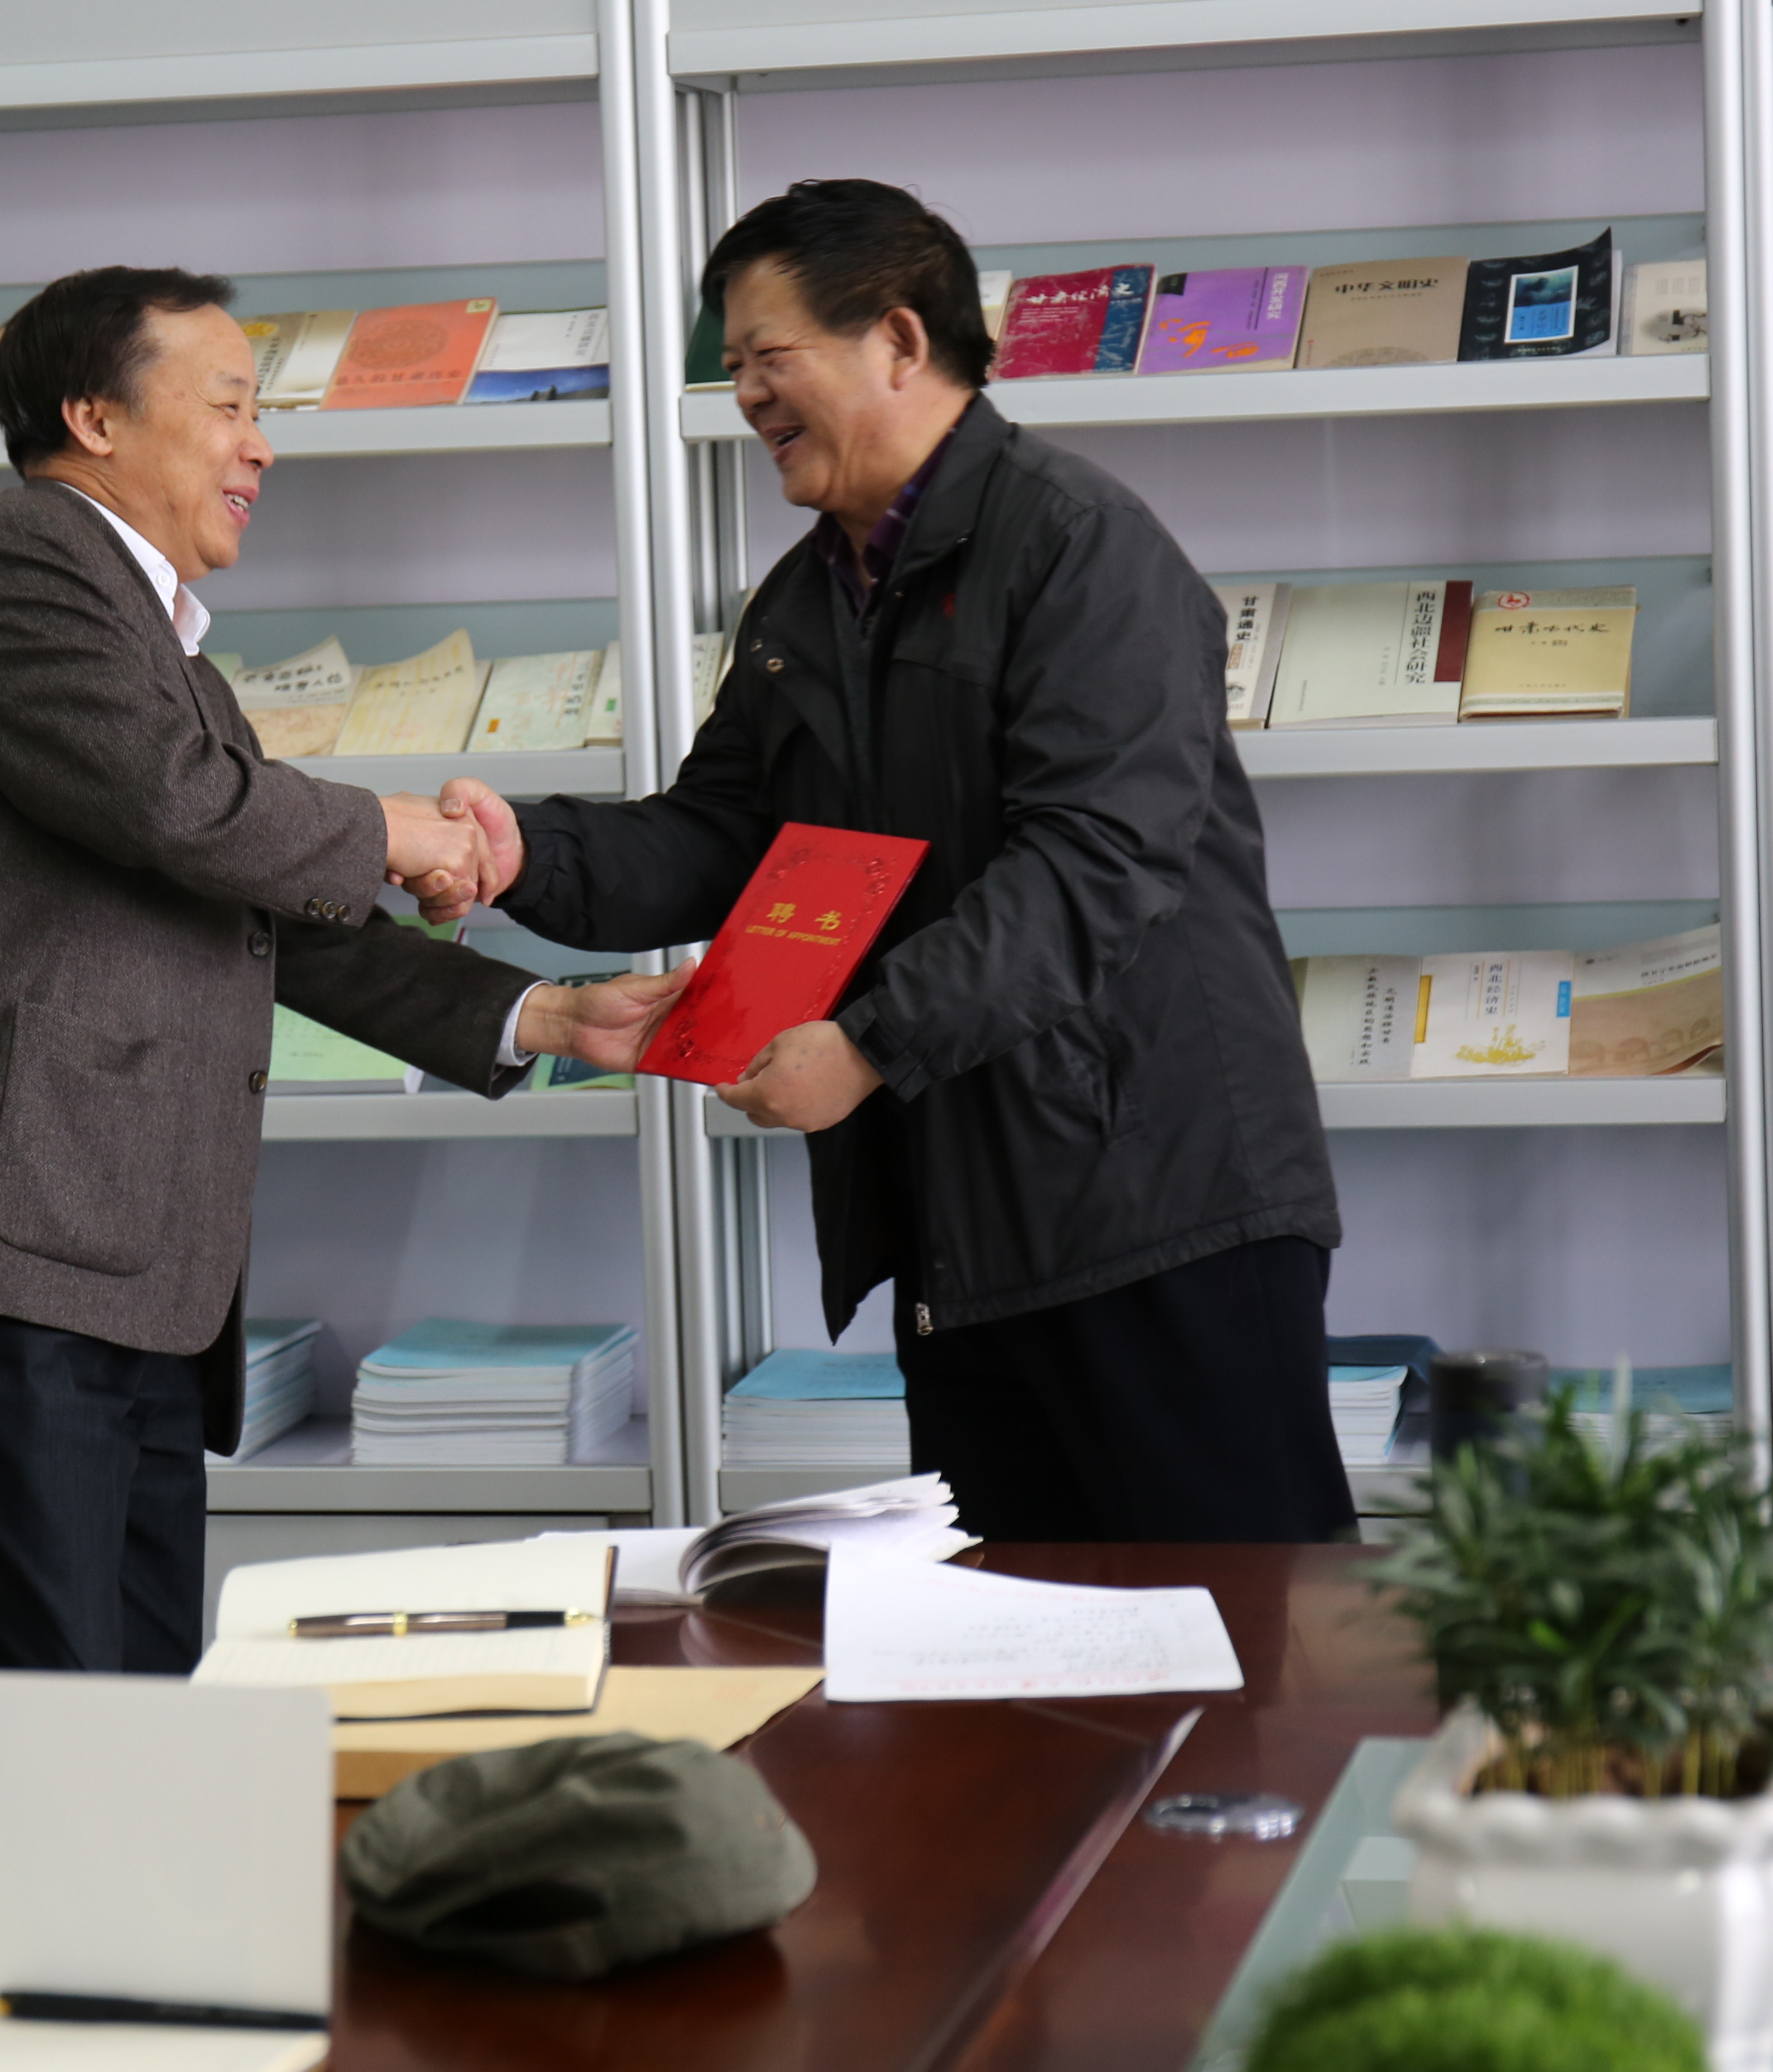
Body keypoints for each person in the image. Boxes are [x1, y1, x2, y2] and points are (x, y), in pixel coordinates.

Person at [431, 180, 1350, 1543]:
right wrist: (524, 855)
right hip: (959, 1222)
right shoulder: (809, 597)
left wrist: (868, 1042)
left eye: (768, 355)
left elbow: (1097, 861)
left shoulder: (1080, 547)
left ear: (901, 342)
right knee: (1001, 1641)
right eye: (733, 364)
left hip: (1158, 1204)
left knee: (1238, 1626)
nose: (745, 393)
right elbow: (722, 836)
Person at [0, 265, 688, 1672]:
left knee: (140, 1723)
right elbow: (183, 806)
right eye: (229, 406)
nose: (261, 446)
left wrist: (548, 1014)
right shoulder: (17, 557)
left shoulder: (165, 653)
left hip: (117, 1276)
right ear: (95, 417)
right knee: (31, 1736)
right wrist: (399, 830)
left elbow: (257, 906)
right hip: (0, 1268)